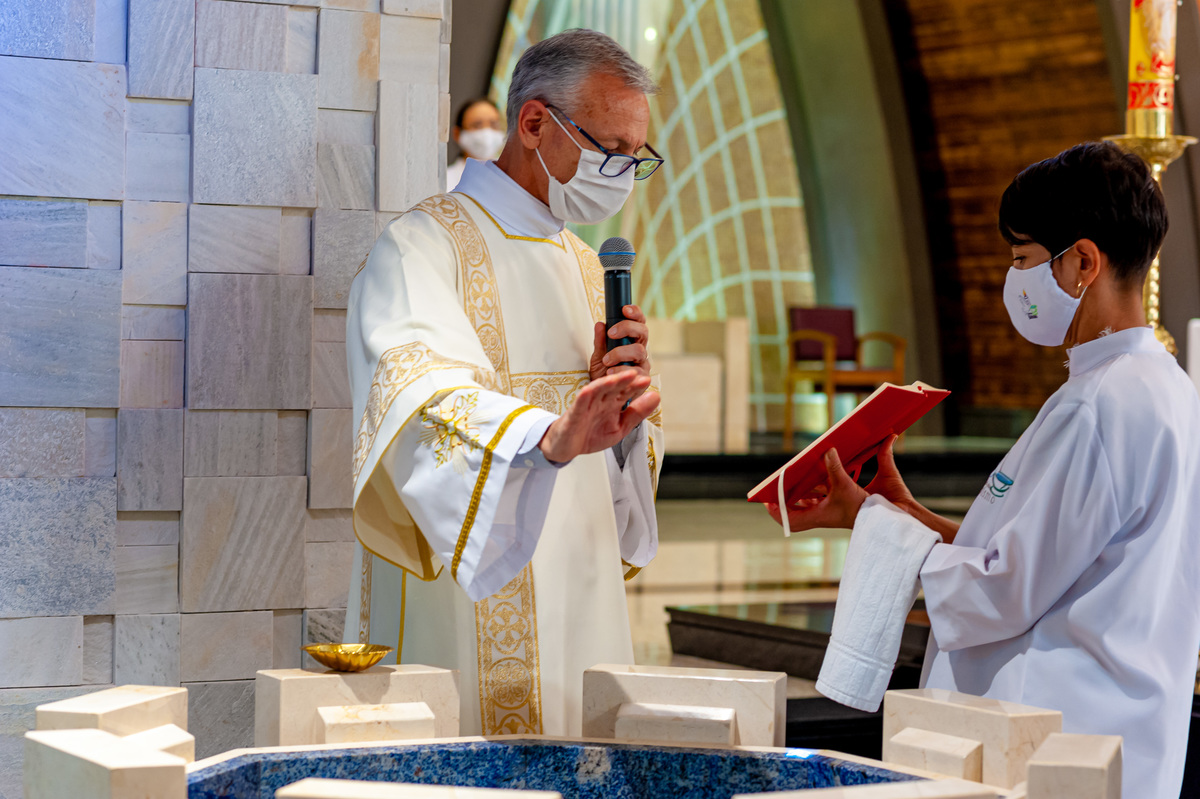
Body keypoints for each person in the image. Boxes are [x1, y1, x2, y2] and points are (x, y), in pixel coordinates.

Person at [769, 141, 1200, 798]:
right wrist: (904, 514)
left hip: (1057, 736)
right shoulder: (1163, 385)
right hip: (1121, 728)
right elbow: (1048, 559)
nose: (1013, 278)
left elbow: (1005, 590)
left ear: (1083, 261)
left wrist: (870, 521)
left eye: (1024, 259)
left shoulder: (1098, 405)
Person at [345, 29, 666, 738]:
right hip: (467, 606)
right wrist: (549, 437)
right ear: (532, 124)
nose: (620, 171)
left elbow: (621, 496)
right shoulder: (422, 246)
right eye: (609, 149)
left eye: (634, 157)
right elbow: (417, 396)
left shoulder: (590, 267)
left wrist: (629, 418)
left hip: (584, 600)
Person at [445, 97, 505, 191]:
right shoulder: (445, 182)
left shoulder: (514, 177)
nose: (487, 132)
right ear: (457, 134)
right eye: (477, 125)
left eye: (493, 124)